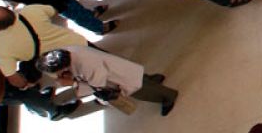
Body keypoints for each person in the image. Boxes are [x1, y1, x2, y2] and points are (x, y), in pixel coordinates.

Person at [40, 45, 179, 115]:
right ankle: (155, 80)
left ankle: (168, 97)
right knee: (140, 78)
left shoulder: (86, 64)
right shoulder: (68, 50)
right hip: (119, 68)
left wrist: (73, 83)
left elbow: (98, 83)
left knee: (141, 89)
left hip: (118, 77)